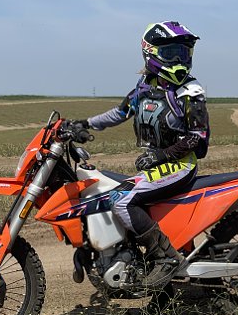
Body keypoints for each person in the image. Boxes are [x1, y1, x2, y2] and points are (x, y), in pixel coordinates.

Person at [73, 21, 210, 288]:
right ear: (152, 53)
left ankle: (166, 259)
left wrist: (161, 155)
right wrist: (85, 124)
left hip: (180, 165)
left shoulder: (190, 92)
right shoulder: (144, 87)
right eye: (172, 53)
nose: (179, 60)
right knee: (104, 189)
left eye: (184, 53)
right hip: (159, 164)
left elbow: (197, 137)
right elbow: (120, 113)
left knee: (122, 201)